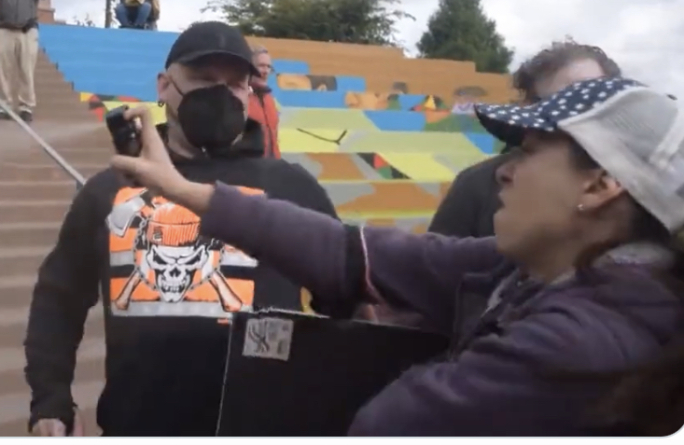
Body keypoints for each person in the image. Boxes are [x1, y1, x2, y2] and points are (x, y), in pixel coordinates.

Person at [110, 76, 684, 436]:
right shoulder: (529, 270)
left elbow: (386, 426)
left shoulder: (584, 341)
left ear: (600, 185)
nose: (504, 171)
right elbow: (351, 251)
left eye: (530, 151)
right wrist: (189, 191)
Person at [23, 21, 341, 437]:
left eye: (236, 84)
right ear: (163, 85)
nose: (220, 94)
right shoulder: (111, 188)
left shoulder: (292, 186)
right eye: (204, 79)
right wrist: (50, 399)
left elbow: (347, 298)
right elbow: (58, 297)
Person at [429, 39, 622, 238]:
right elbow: (438, 261)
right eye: (553, 103)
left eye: (590, 98)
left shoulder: (640, 195)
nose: (574, 112)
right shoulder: (478, 183)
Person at [247, 46, 280, 158]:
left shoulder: (269, 100)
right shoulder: (239, 100)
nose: (265, 71)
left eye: (268, 67)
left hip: (271, 168)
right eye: (261, 66)